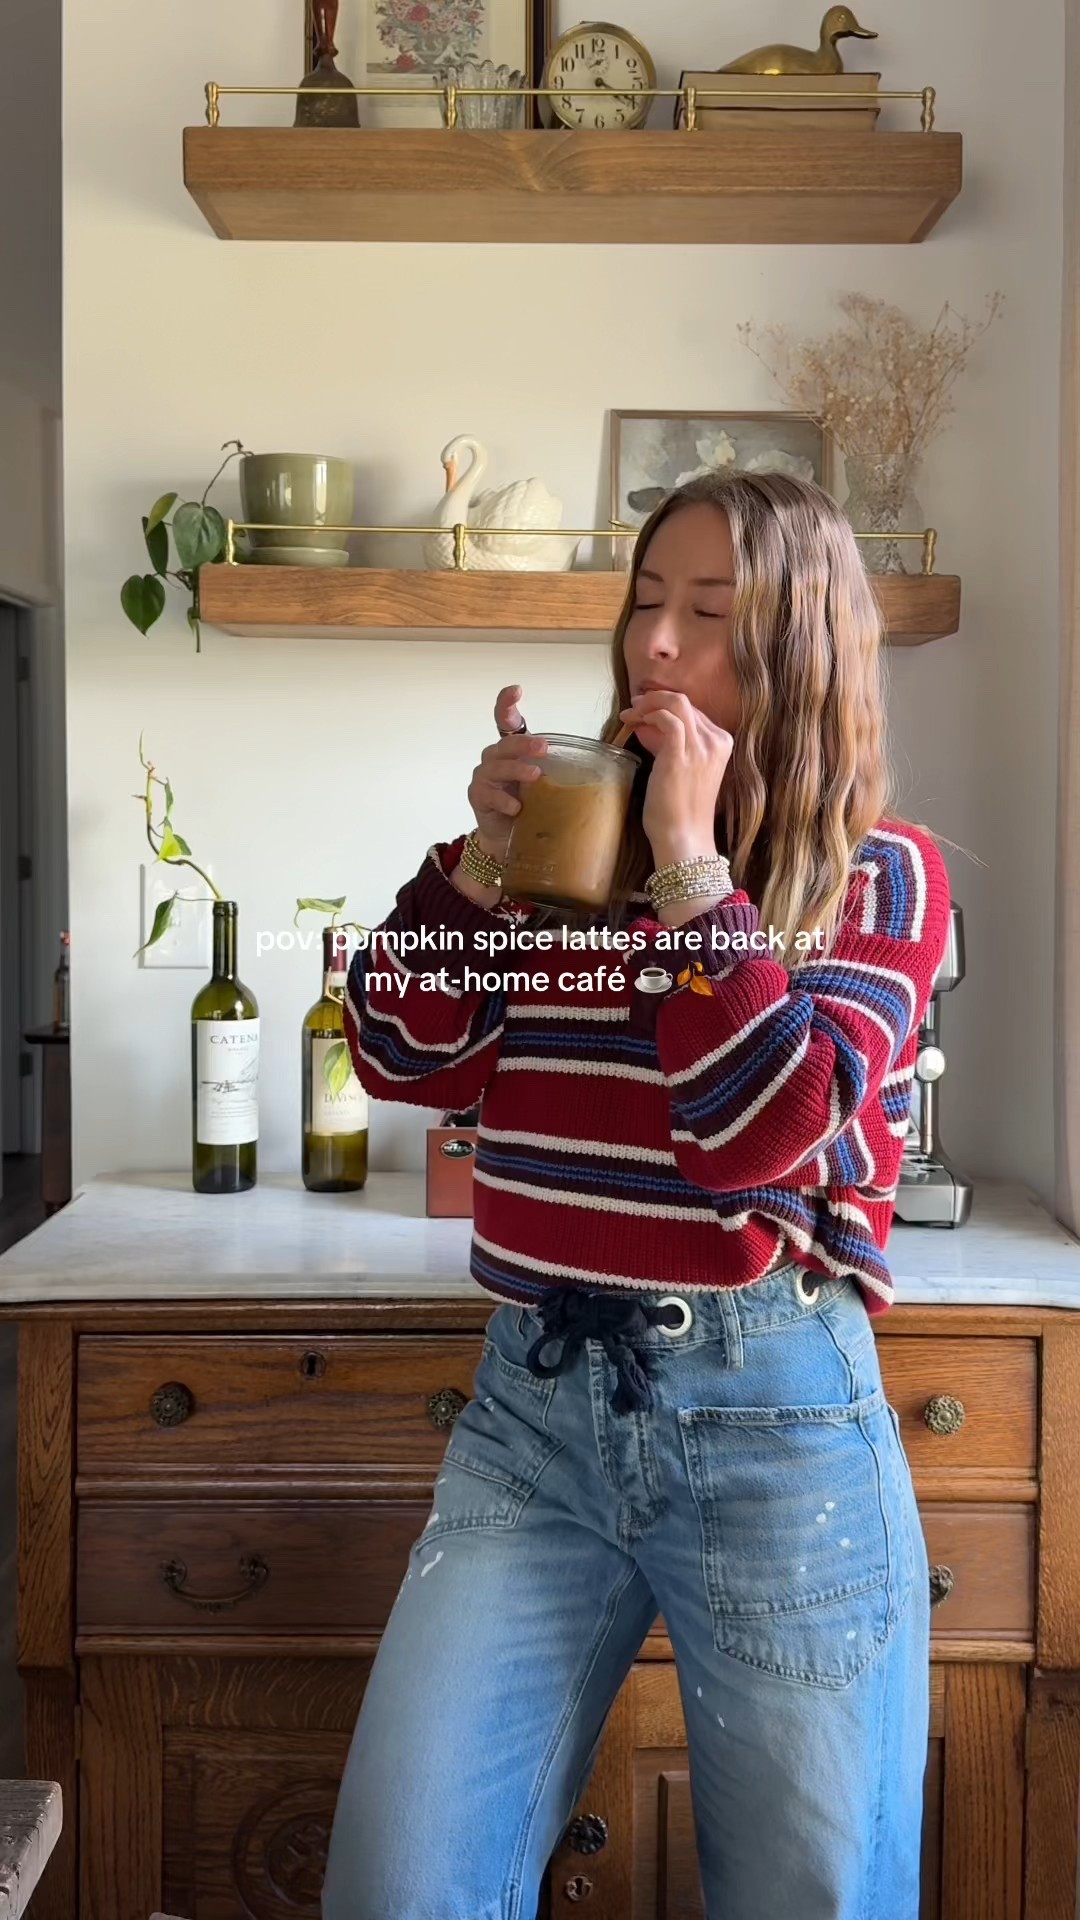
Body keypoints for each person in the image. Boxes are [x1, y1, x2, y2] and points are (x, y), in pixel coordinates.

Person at [322, 469, 951, 1920]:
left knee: (814, 1896)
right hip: (532, 1421)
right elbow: (399, 1055)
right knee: (396, 1884)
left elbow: (762, 1130)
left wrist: (687, 864)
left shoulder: (880, 881)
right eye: (647, 605)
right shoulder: (553, 869)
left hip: (778, 1430)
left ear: (797, 652)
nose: (655, 646)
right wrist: (481, 866)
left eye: (711, 615)